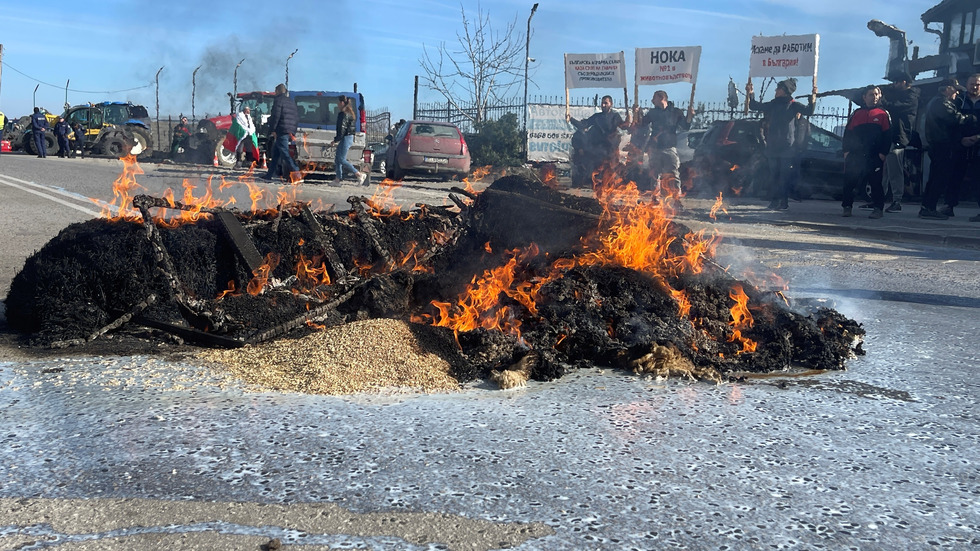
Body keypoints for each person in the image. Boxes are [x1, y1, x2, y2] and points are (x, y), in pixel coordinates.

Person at [746, 78, 817, 210]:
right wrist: (751, 93)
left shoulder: (793, 105)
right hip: (773, 146)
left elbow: (809, 111)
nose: (775, 91)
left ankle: (783, 201)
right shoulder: (773, 104)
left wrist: (813, 97)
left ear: (785, 91)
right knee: (774, 175)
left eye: (778, 89)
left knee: (783, 176)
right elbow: (755, 106)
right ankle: (775, 201)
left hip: (787, 147)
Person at [920, 78, 976, 220]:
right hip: (942, 145)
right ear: (947, 89)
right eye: (955, 89)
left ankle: (926, 207)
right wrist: (972, 118)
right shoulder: (941, 102)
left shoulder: (935, 101)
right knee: (939, 177)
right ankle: (930, 207)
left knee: (935, 177)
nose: (957, 93)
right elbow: (955, 118)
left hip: (938, 144)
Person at [841, 85, 892, 218]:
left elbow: (888, 135)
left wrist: (882, 153)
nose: (874, 97)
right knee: (850, 181)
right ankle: (847, 206)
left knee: (875, 183)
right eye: (871, 94)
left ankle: (878, 209)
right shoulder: (857, 114)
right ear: (864, 97)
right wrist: (846, 151)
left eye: (876, 94)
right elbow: (848, 133)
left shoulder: (883, 114)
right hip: (855, 154)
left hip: (874, 155)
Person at [632, 90, 694, 196]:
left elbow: (685, 127)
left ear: (661, 98)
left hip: (670, 148)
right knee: (654, 174)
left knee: (673, 174)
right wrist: (636, 113)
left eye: (654, 98)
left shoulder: (676, 112)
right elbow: (641, 125)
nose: (652, 100)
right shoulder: (652, 113)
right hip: (655, 148)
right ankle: (655, 198)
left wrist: (690, 116)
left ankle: (676, 198)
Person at [879, 70, 920, 212]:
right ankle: (878, 199)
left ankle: (897, 200)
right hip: (888, 135)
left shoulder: (911, 97)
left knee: (895, 170)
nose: (894, 84)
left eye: (896, 81)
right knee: (883, 169)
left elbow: (895, 107)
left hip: (898, 136)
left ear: (904, 82)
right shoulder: (896, 94)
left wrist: (883, 101)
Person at [567, 95, 628, 186]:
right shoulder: (596, 117)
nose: (603, 105)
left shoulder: (615, 116)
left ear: (611, 104)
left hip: (610, 149)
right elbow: (584, 125)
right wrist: (571, 119)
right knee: (597, 170)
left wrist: (629, 119)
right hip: (597, 149)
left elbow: (624, 127)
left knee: (610, 171)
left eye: (605, 103)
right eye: (602, 103)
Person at [263, 83, 302, 183]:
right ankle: (269, 175)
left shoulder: (278, 100)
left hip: (281, 130)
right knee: (275, 153)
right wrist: (293, 131)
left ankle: (296, 172)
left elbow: (276, 116)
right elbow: (296, 117)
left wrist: (273, 130)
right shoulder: (291, 102)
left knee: (284, 153)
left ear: (278, 91)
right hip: (289, 130)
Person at [955, 73, 980, 221]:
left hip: (979, 145)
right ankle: (949, 206)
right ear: (966, 84)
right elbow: (952, 122)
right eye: (972, 84)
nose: (974, 86)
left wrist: (977, 137)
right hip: (961, 144)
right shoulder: (959, 100)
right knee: (955, 175)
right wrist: (961, 139)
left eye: (977, 84)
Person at [331, 95, 366, 184]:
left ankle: (359, 174)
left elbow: (342, 129)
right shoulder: (348, 113)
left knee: (341, 159)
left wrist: (336, 140)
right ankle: (337, 180)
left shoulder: (344, 114)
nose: (337, 104)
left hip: (346, 138)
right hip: (347, 137)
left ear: (342, 103)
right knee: (337, 159)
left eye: (339, 102)